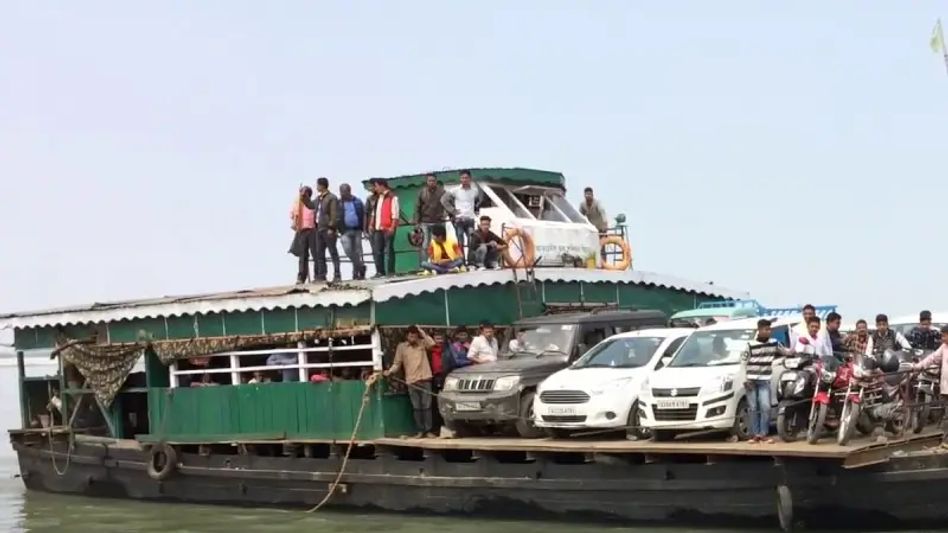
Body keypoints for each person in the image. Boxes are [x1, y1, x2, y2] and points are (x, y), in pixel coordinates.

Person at [741, 319, 791, 443]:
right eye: (766, 329)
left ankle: (763, 433)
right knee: (753, 408)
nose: (768, 332)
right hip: (751, 380)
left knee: (766, 407)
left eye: (769, 329)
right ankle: (755, 434)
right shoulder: (750, 345)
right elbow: (743, 363)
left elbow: (786, 352)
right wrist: (745, 379)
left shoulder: (774, 343)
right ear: (759, 330)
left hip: (764, 380)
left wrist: (798, 347)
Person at [385, 326, 437, 438]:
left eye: (414, 335)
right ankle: (420, 431)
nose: (412, 338)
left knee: (427, 406)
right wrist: (390, 371)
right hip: (412, 381)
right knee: (416, 407)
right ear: (406, 336)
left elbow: (432, 344)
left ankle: (428, 431)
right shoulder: (402, 347)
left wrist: (422, 332)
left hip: (425, 378)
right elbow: (397, 363)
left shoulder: (423, 343)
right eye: (410, 336)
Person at [913, 326, 948, 447]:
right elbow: (932, 358)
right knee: (946, 415)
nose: (942, 338)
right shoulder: (944, 348)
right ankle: (945, 442)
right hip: (945, 388)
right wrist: (918, 366)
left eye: (944, 335)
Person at [441, 170, 482, 261]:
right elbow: (443, 200)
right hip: (459, 220)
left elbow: (478, 200)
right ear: (460, 179)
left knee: (472, 241)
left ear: (470, 178)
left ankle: (471, 261)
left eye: (466, 178)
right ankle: (462, 261)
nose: (464, 180)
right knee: (460, 242)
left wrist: (476, 210)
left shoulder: (474, 191)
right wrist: (453, 211)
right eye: (462, 178)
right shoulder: (455, 190)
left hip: (470, 219)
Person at [306, 177, 341, 282]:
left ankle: (337, 274)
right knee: (319, 254)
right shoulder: (318, 199)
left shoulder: (331, 198)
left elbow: (334, 214)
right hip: (319, 229)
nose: (316, 187)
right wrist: (304, 197)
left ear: (322, 185)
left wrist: (331, 227)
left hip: (328, 229)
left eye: (317, 185)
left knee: (333, 252)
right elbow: (310, 205)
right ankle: (321, 275)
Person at [413, 173, 446, 264]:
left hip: (438, 221)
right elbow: (417, 207)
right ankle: (425, 265)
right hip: (425, 221)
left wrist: (447, 215)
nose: (431, 182)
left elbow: (447, 205)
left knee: (439, 243)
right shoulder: (422, 192)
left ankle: (439, 263)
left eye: (433, 181)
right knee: (425, 244)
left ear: (436, 181)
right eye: (429, 181)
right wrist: (416, 222)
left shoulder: (442, 192)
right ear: (427, 182)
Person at [370, 178, 399, 278]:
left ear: (382, 186)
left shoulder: (392, 197)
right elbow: (375, 213)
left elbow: (395, 214)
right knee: (378, 250)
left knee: (389, 250)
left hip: (388, 227)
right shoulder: (378, 198)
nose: (375, 188)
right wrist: (371, 224)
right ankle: (380, 272)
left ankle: (391, 271)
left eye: (376, 186)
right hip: (378, 228)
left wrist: (392, 227)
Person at [338, 183, 366, 280]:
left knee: (358, 252)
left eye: (344, 192)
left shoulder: (357, 202)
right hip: (345, 231)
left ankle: (356, 273)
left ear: (349, 191)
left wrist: (364, 229)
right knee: (348, 250)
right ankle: (360, 266)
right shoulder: (338, 203)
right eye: (341, 192)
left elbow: (364, 215)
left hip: (357, 230)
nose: (342, 194)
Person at [289, 186, 317, 284]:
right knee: (303, 255)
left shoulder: (313, 204)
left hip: (313, 231)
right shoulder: (298, 204)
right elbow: (292, 215)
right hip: (302, 231)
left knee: (315, 254)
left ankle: (318, 276)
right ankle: (301, 277)